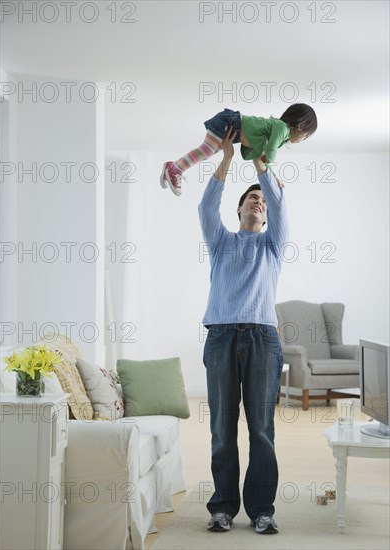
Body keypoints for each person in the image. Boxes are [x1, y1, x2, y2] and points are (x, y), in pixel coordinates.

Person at [198, 127, 288, 534]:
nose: (259, 203)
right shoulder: (221, 243)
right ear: (239, 210)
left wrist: (259, 162)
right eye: (253, 198)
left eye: (264, 202)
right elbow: (205, 208)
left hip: (262, 340)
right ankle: (222, 508)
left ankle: (262, 510)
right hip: (220, 337)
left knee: (261, 430)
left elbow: (282, 208)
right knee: (222, 427)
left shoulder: (272, 245)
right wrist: (227, 158)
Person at [161, 103, 317, 196]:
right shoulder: (281, 128)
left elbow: (263, 158)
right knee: (206, 151)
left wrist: (274, 177)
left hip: (233, 132)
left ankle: (174, 167)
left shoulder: (277, 137)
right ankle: (175, 169)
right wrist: (269, 158)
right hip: (231, 122)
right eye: (305, 137)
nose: (301, 141)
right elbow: (270, 152)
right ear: (301, 126)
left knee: (207, 152)